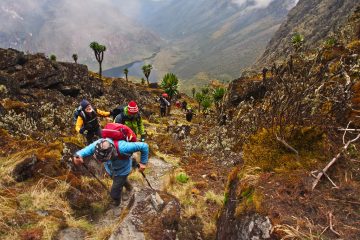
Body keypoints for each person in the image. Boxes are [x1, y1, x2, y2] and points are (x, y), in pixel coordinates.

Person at [73, 138, 148, 206]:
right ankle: (130, 188)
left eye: (103, 160)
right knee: (120, 181)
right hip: (111, 170)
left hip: (123, 170)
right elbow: (86, 150)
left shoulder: (123, 147)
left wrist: (143, 163)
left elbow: (144, 146)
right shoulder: (99, 144)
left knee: (114, 192)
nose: (100, 162)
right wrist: (78, 155)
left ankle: (117, 202)